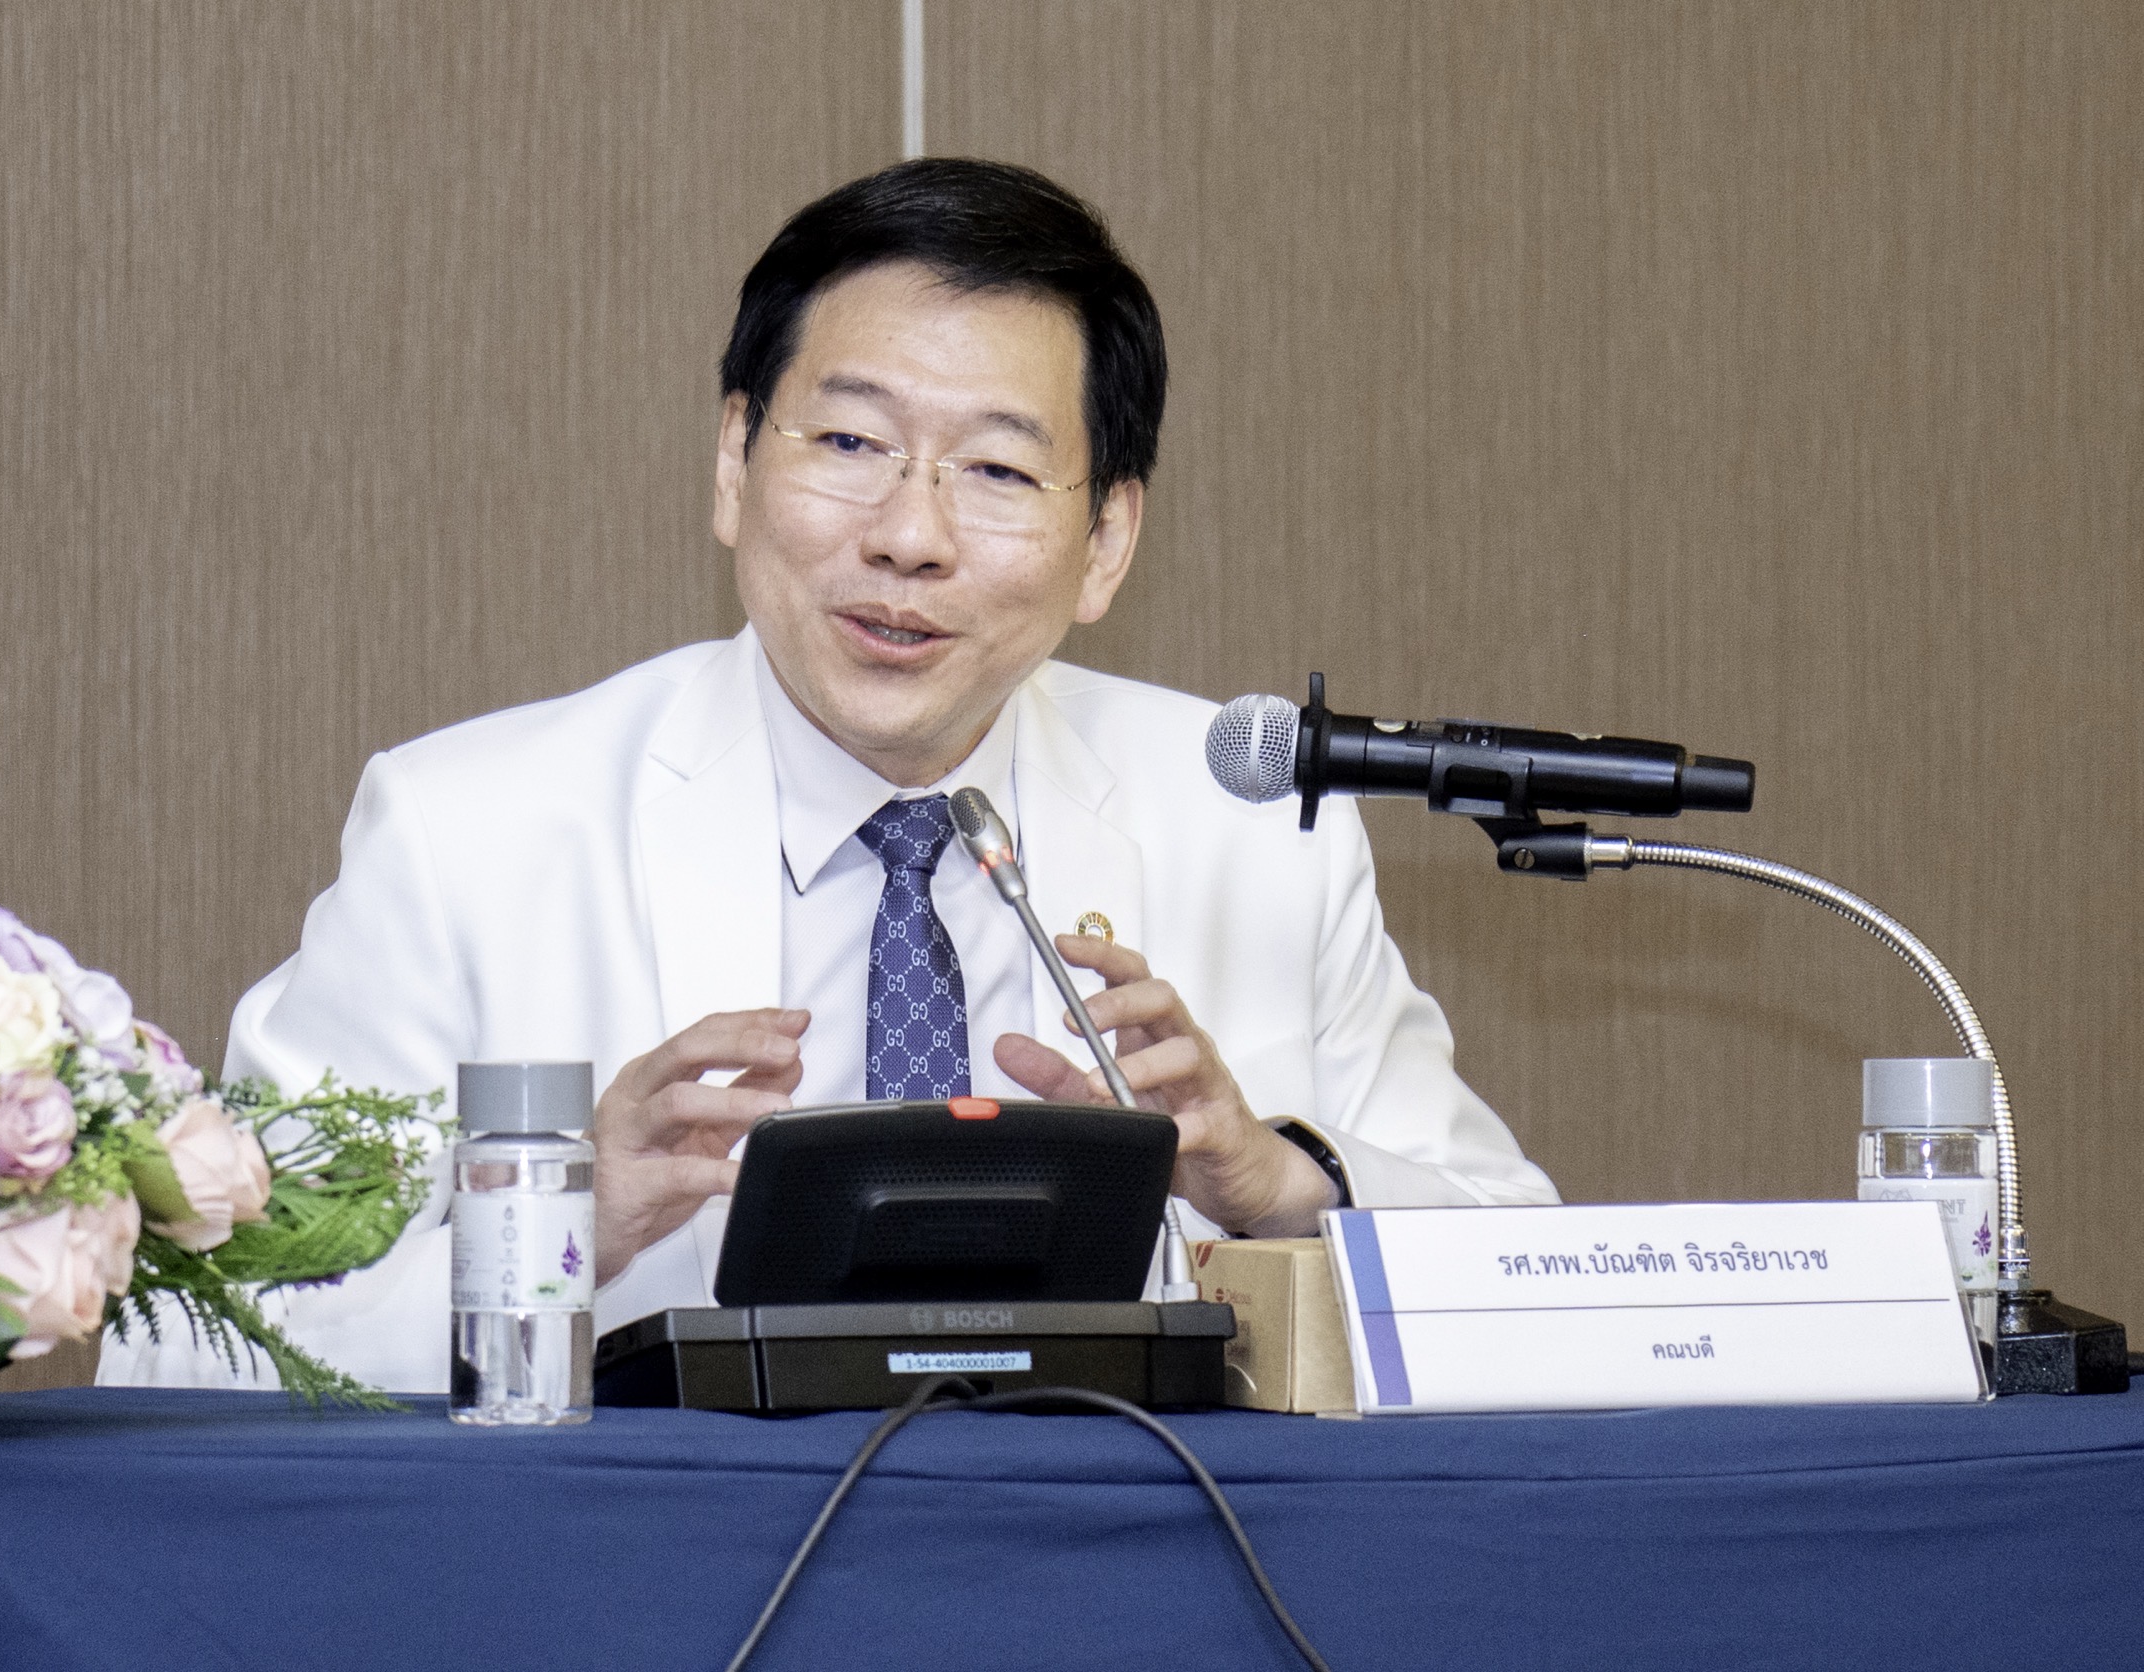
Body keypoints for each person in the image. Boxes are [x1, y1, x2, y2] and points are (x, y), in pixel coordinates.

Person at [101, 159, 1556, 1394]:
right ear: (735, 460)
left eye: (997, 472)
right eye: (852, 442)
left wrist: (1276, 1183)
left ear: (1107, 542)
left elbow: (1534, 1285)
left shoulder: (1254, 834)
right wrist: (557, 1231)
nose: (908, 537)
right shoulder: (468, 836)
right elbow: (177, 1346)